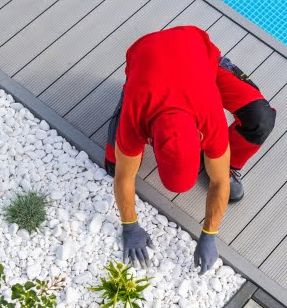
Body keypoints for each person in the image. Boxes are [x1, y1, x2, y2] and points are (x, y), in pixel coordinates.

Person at [104, 26, 276, 274]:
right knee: (113, 163)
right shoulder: (137, 115)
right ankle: (129, 87)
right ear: (151, 140)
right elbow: (124, 176)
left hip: (199, 56)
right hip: (146, 56)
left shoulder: (210, 117)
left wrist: (209, 234)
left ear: (200, 137)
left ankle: (232, 165)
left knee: (260, 119)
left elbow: (219, 182)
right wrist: (129, 225)